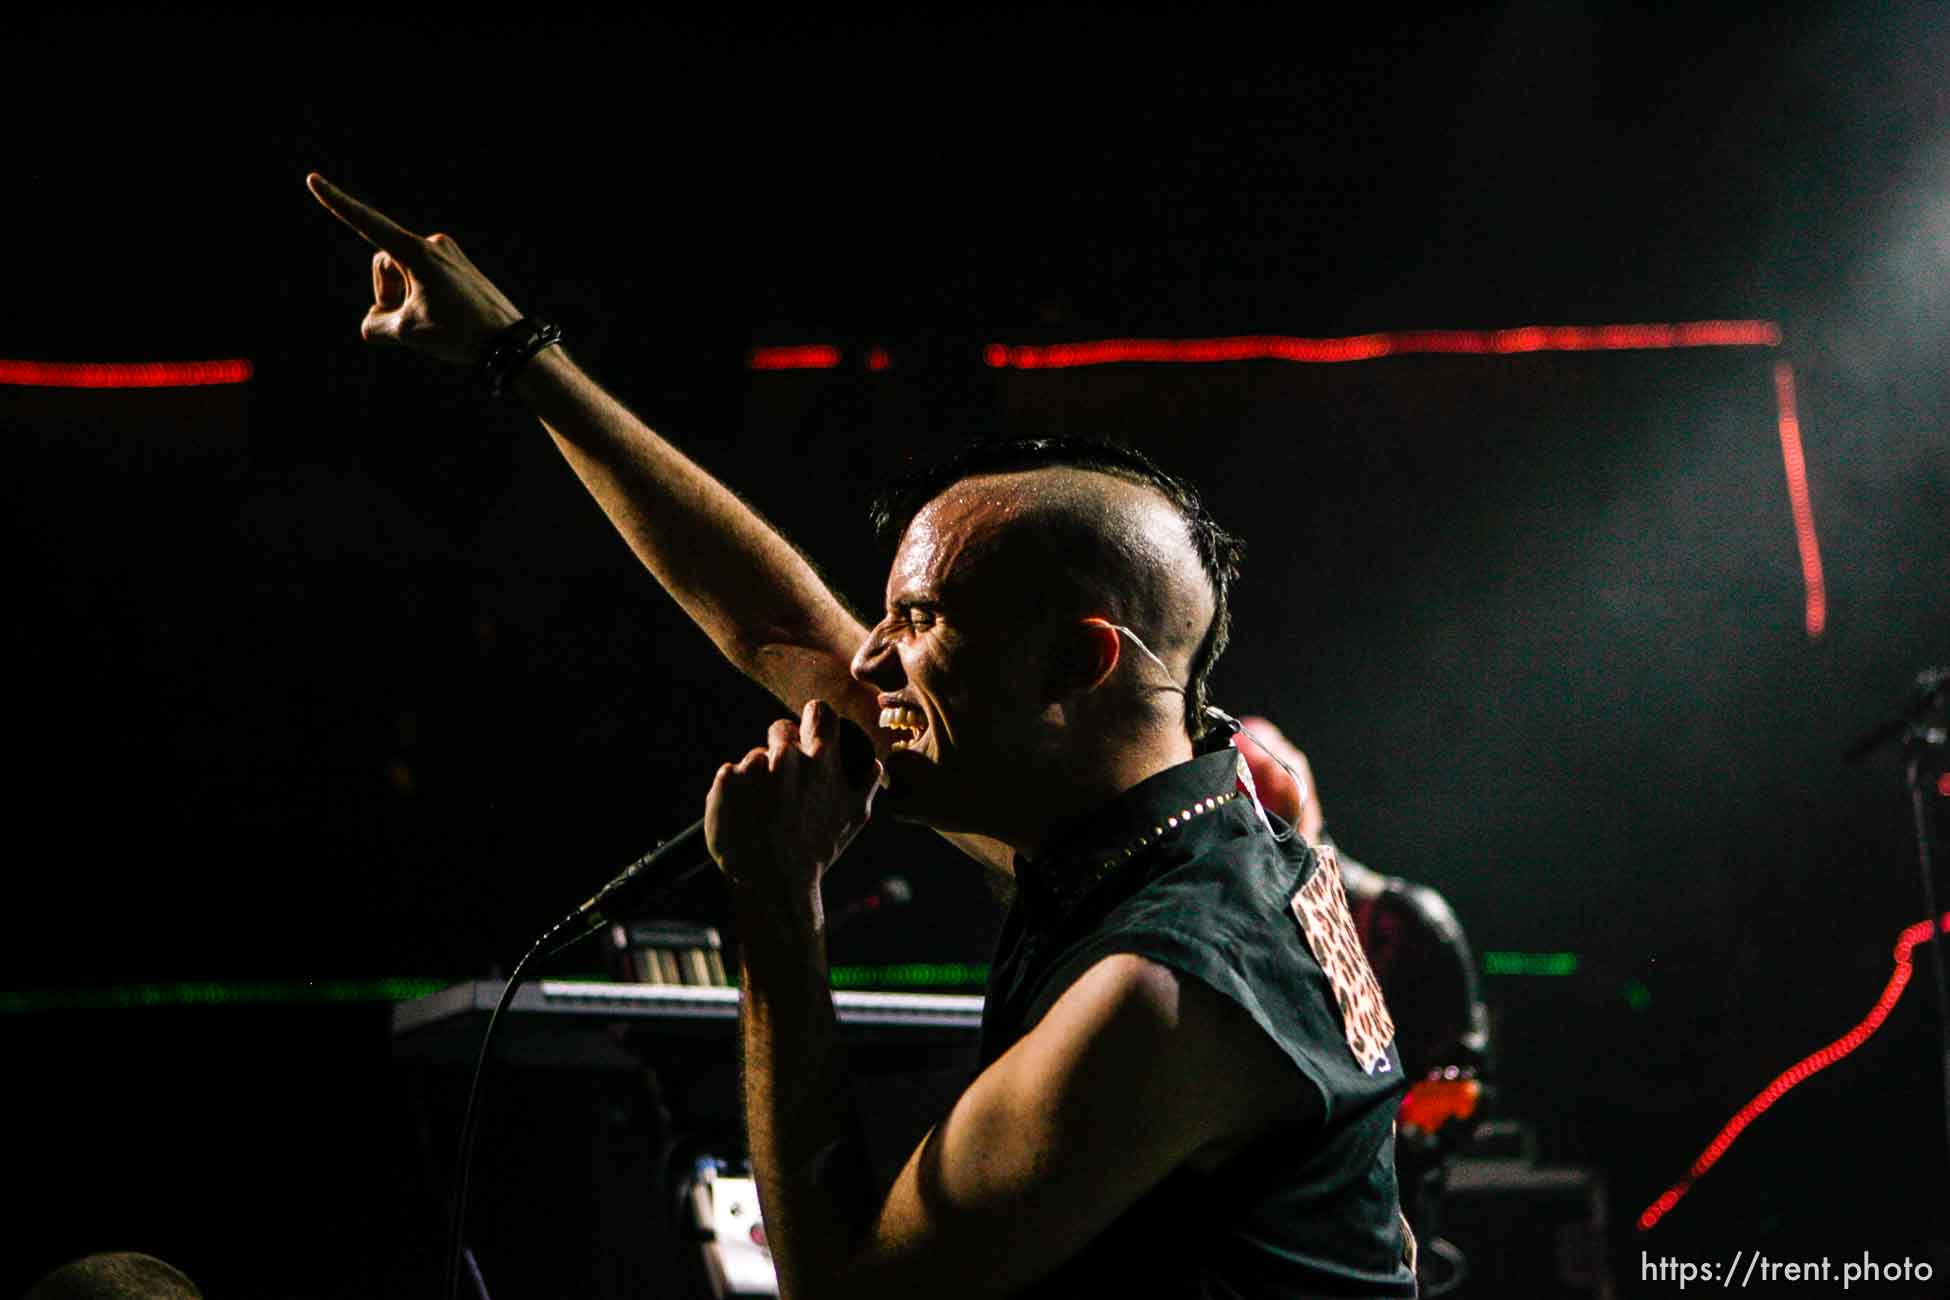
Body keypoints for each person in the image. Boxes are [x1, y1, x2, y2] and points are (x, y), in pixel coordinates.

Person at [307, 174, 1417, 1299]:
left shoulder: (1166, 990)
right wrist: (517, 354)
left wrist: (778, 908)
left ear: (1080, 663)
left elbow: (846, 1291)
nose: (872, 661)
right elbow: (783, 627)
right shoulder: (1180, 828)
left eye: (920, 622)